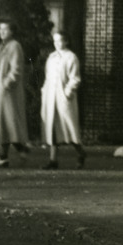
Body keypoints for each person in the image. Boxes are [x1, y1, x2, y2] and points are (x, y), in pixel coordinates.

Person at [0, 20, 30, 168]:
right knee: (3, 123)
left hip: (7, 92)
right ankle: (18, 150)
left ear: (12, 32)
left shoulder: (15, 46)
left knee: (7, 123)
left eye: (5, 29)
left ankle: (6, 155)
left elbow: (16, 69)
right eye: (0, 29)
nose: (1, 32)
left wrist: (6, 84)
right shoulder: (2, 46)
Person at [39, 30, 86, 170]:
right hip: (50, 96)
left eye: (60, 41)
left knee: (69, 127)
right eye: (55, 41)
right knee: (52, 127)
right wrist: (44, 90)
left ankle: (80, 152)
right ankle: (53, 160)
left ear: (66, 41)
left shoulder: (71, 57)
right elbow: (48, 76)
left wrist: (67, 92)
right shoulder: (51, 57)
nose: (57, 44)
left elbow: (75, 78)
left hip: (64, 98)